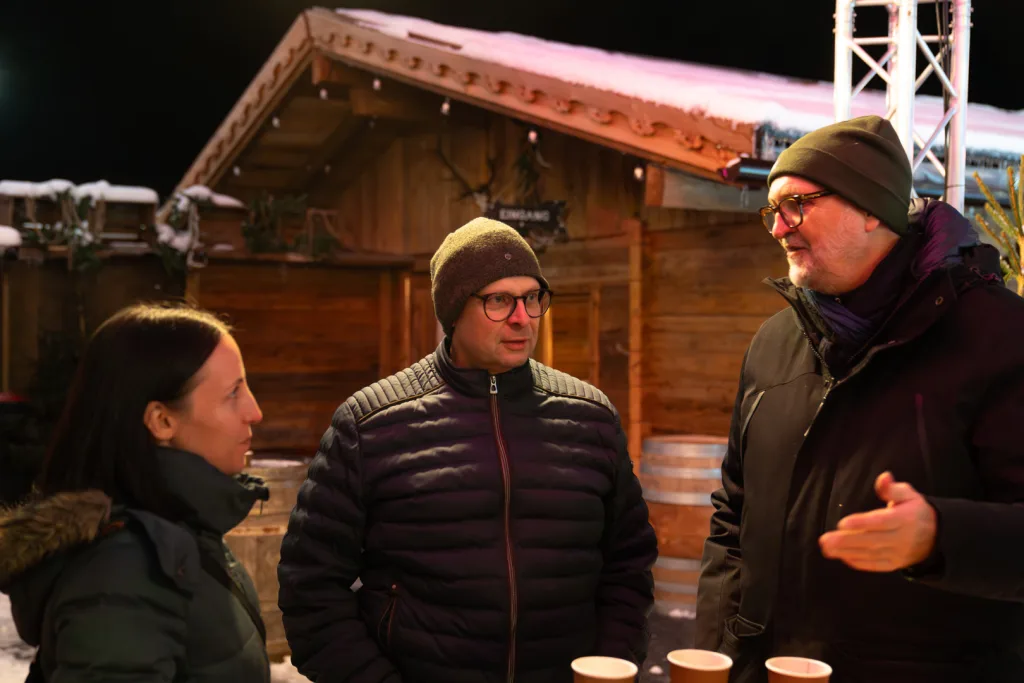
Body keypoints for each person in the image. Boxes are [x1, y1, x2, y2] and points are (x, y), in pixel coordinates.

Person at [695, 114, 1024, 683]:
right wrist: (719, 652)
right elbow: (733, 514)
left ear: (873, 208)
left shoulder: (999, 338)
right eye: (772, 211)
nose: (779, 229)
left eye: (797, 205)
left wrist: (942, 537)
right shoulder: (773, 343)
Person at [278, 217, 658, 683]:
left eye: (532, 297)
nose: (522, 317)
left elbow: (629, 567)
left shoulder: (589, 417)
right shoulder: (371, 423)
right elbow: (310, 587)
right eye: (498, 300)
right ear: (454, 311)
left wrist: (610, 668)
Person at [0, 303, 270, 682]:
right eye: (233, 394)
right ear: (162, 421)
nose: (254, 412)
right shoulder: (125, 569)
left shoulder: (181, 531)